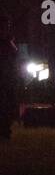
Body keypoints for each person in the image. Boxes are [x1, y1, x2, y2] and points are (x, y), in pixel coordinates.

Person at [0, 13, 18, 141]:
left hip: (7, 78)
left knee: (7, 105)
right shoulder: (7, 42)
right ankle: (5, 131)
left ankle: (5, 131)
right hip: (5, 78)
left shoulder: (8, 41)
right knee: (5, 105)